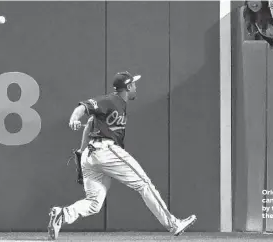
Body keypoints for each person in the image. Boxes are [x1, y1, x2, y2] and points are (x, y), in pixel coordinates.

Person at [47, 71, 197, 240]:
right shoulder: (111, 100)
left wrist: (82, 152)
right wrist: (73, 119)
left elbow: (90, 123)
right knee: (144, 184)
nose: (135, 87)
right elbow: (82, 107)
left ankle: (62, 215)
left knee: (94, 203)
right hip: (105, 150)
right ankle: (174, 224)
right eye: (133, 84)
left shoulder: (120, 104)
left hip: (91, 154)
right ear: (127, 87)